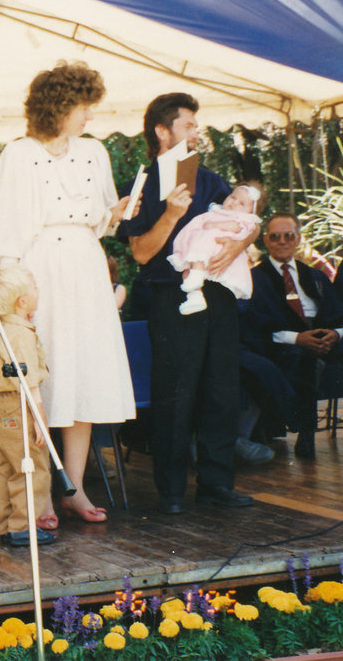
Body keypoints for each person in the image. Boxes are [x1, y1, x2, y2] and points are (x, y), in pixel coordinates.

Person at [0, 61, 135, 525]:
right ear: (59, 106)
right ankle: (42, 491)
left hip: (86, 266)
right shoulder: (18, 154)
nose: (89, 116)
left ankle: (75, 485)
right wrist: (13, 296)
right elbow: (7, 232)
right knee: (41, 382)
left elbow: (103, 220)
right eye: (82, 107)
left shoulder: (94, 151)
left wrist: (119, 212)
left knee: (83, 375)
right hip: (39, 271)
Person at [117, 92, 256, 514]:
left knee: (221, 390)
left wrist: (238, 248)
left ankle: (216, 483)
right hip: (167, 296)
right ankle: (172, 491)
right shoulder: (140, 184)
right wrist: (172, 215)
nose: (197, 132)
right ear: (163, 131)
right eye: (189, 124)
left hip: (219, 295)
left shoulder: (211, 180)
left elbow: (246, 221)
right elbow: (140, 253)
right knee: (176, 394)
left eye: (197, 125)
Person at [244, 213, 343, 460]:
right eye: (275, 236)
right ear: (265, 240)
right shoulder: (254, 279)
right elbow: (256, 326)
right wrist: (297, 338)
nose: (282, 241)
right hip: (284, 342)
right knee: (305, 360)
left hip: (325, 336)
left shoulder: (315, 277)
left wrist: (335, 334)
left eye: (289, 236)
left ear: (298, 239)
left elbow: (338, 314)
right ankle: (306, 435)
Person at [0, 264, 54, 548]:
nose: (39, 292)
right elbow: (28, 380)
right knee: (31, 465)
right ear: (22, 300)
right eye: (34, 287)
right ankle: (23, 526)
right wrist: (38, 416)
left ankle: (9, 524)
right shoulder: (20, 333)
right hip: (18, 403)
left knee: (8, 466)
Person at [168, 183, 263, 315]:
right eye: (233, 197)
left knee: (196, 271)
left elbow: (236, 227)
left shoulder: (242, 219)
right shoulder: (215, 212)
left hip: (215, 252)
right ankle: (195, 298)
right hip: (202, 254)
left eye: (241, 203)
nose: (234, 202)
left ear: (250, 212)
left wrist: (215, 224)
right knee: (186, 273)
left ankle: (196, 279)